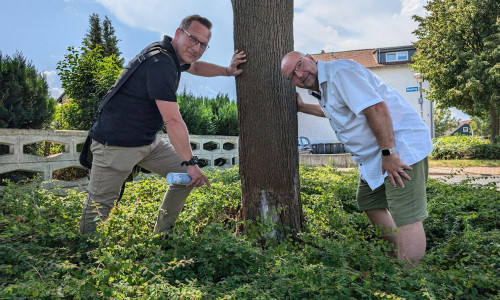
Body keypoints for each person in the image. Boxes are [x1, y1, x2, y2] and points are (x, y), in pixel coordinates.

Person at [79, 15, 246, 235]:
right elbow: (172, 121)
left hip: (147, 140)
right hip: (115, 143)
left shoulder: (172, 55)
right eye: (193, 39)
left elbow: (195, 67)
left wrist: (227, 71)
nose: (196, 48)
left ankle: (162, 236)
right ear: (178, 33)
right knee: (100, 207)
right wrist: (192, 163)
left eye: (203, 44)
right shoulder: (160, 63)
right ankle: (86, 258)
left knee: (184, 177)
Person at [281, 51, 433, 266]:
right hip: (374, 156)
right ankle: (400, 255)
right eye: (292, 76)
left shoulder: (341, 72)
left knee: (405, 215)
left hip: (398, 148)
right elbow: (335, 111)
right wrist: (304, 107)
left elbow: (375, 108)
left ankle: (412, 279)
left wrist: (389, 153)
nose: (300, 74)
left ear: (310, 58)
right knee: (369, 201)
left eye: (299, 65)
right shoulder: (325, 86)